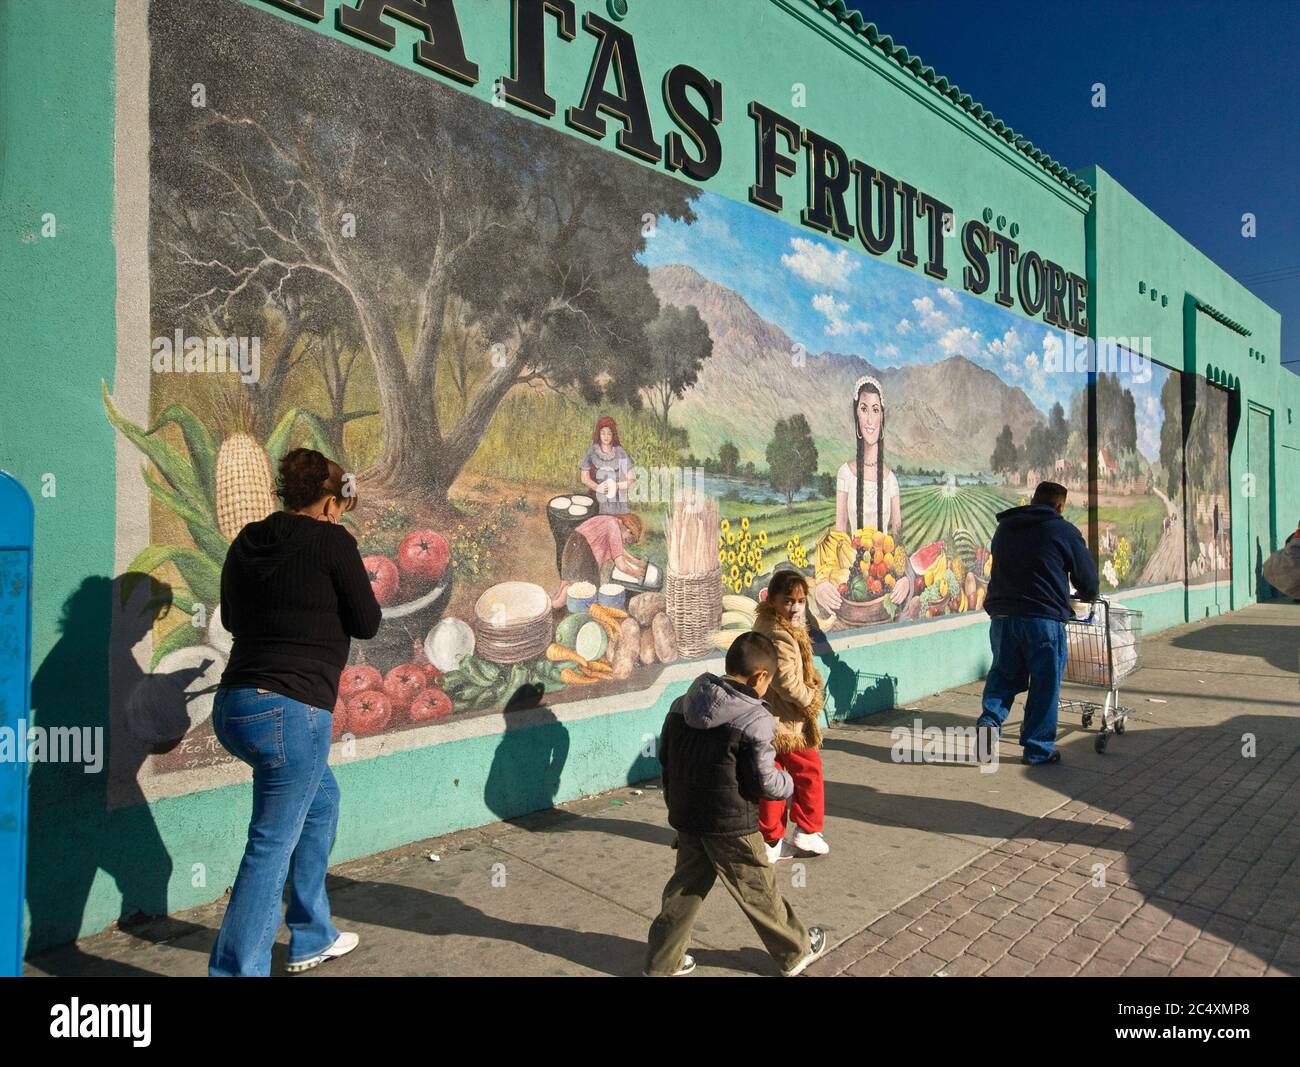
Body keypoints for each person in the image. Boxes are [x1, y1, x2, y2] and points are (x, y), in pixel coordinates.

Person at [209, 448, 381, 977]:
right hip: (292, 713)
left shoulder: (248, 540)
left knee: (321, 801)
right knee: (269, 847)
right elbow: (367, 621)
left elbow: (234, 617)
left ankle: (311, 934)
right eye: (340, 505)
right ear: (330, 502)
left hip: (236, 705)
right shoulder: (333, 542)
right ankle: (238, 971)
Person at [645, 631, 827, 977]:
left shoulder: (682, 703)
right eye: (768, 684)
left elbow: (667, 759)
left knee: (684, 889)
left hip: (688, 816)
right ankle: (796, 950)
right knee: (758, 888)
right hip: (731, 823)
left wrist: (674, 802)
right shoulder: (754, 718)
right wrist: (788, 784)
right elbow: (764, 780)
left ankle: (662, 962)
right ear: (760, 677)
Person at [977, 481, 1098, 766]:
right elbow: (1088, 581)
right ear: (1060, 506)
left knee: (1003, 677)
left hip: (1003, 617)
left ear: (1033, 500)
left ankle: (988, 725)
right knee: (1045, 685)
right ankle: (1037, 749)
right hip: (1043, 621)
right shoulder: (1063, 530)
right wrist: (1085, 594)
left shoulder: (1005, 528)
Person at [814, 375, 912, 618]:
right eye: (864, 409)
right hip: (853, 570)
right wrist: (823, 580)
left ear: (882, 417)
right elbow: (839, 532)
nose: (870, 418)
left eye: (875, 410)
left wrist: (904, 579)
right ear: (856, 415)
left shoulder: (891, 480)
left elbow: (898, 537)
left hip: (885, 573)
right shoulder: (845, 474)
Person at [752, 570, 829, 859]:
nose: (795, 607)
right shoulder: (780, 634)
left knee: (774, 778)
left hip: (770, 720)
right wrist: (810, 699)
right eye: (788, 601)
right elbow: (787, 682)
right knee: (810, 773)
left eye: (800, 601)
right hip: (789, 722)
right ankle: (808, 831)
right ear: (772, 600)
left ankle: (770, 840)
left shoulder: (768, 623)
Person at [579, 415, 636, 515]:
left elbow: (631, 480)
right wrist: (598, 488)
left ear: (613, 435)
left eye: (609, 434)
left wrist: (617, 486)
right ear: (598, 434)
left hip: (617, 501)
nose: (606, 437)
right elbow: (584, 478)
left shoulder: (620, 453)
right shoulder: (592, 451)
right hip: (597, 498)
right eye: (603, 433)